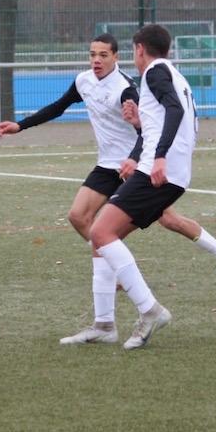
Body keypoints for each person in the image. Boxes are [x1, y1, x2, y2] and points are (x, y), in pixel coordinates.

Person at [0, 32, 216, 346]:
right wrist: (21, 125)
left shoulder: (133, 84)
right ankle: (104, 323)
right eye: (92, 54)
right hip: (111, 165)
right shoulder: (86, 81)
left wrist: (143, 156)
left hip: (137, 165)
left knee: (154, 223)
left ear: (121, 55)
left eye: (103, 55)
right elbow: (60, 106)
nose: (96, 60)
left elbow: (157, 124)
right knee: (86, 223)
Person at [78, 24, 199, 349]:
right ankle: (104, 325)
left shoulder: (155, 72)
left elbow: (174, 110)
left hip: (157, 173)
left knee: (100, 232)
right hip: (167, 172)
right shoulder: (172, 73)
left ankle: (150, 310)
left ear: (140, 50)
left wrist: (158, 156)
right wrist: (139, 123)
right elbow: (168, 116)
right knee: (101, 239)